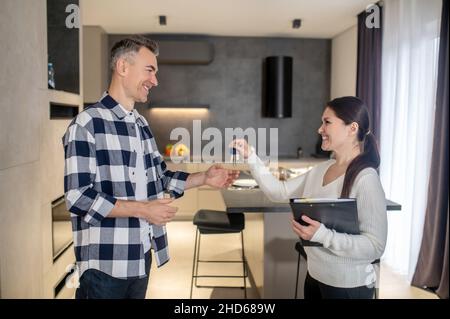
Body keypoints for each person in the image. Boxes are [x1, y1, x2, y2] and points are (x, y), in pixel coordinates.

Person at [63, 36, 239, 299]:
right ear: (123, 67)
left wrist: (204, 177)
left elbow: (161, 178)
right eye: (150, 70)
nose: (155, 81)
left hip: (141, 257)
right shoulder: (87, 123)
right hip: (104, 266)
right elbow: (77, 197)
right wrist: (143, 209)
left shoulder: (141, 124)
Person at [232, 96, 387, 299]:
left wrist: (322, 235)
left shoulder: (366, 178)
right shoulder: (321, 169)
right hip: (314, 277)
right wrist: (250, 156)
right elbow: (278, 192)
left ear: (352, 128)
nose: (320, 129)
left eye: (327, 122)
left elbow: (375, 247)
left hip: (348, 286)